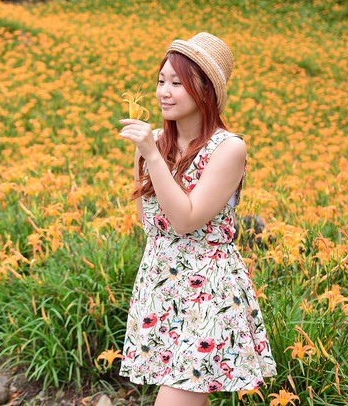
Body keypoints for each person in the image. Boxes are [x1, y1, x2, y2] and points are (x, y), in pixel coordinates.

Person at [117, 32, 277, 405]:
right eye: (161, 81)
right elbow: (151, 226)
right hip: (159, 290)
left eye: (177, 83)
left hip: (207, 294)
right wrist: (149, 155)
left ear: (205, 91)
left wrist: (152, 157)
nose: (163, 92)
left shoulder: (228, 148)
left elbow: (185, 221)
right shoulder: (153, 143)